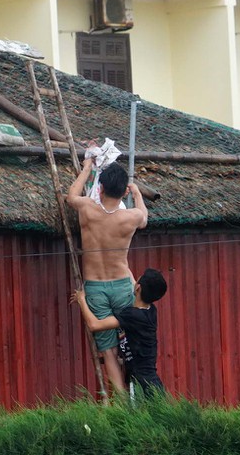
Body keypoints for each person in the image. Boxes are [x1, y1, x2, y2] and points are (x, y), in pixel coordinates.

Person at [66, 159, 148, 396]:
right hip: (122, 285)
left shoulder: (87, 208)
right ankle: (138, 395)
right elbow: (144, 218)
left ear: (100, 188)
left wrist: (86, 168)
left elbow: (71, 196)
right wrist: (137, 194)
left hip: (95, 288)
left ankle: (121, 404)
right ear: (124, 192)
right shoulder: (131, 217)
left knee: (108, 351)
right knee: (132, 342)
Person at [72, 268, 168, 398]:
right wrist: (122, 266)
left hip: (140, 384)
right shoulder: (151, 310)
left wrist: (82, 300)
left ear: (138, 287)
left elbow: (94, 325)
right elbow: (131, 277)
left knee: (135, 411)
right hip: (152, 381)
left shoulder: (132, 315)